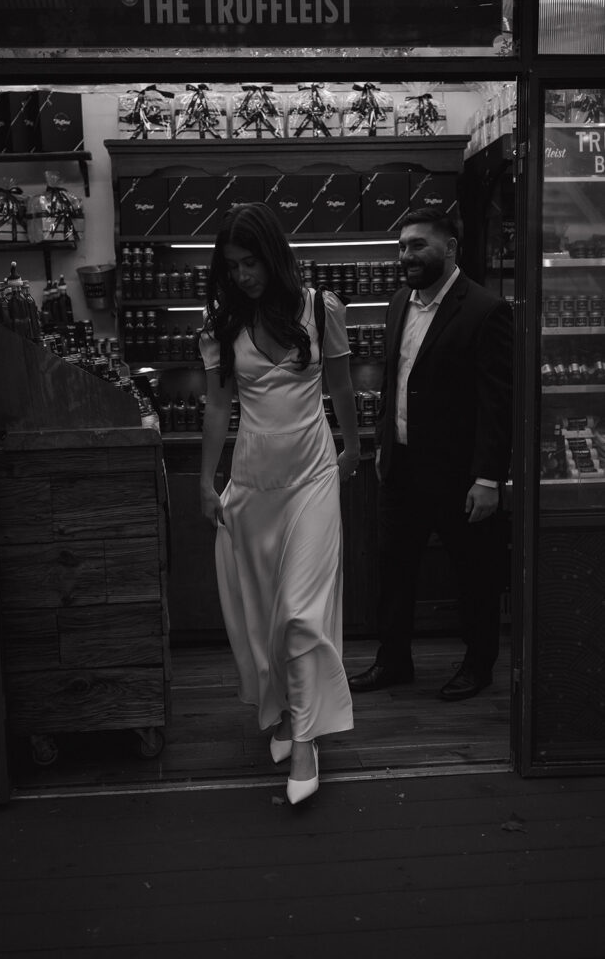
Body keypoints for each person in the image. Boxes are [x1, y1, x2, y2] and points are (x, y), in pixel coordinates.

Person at [199, 202, 359, 804]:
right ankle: (290, 713)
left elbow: (340, 384)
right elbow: (218, 406)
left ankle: (308, 741)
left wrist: (353, 447)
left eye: (251, 262)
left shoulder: (321, 308)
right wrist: (205, 481)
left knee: (300, 613)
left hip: (313, 478)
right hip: (252, 487)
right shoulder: (220, 324)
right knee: (269, 616)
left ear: (274, 255)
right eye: (232, 266)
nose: (242, 275)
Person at [348, 208, 513, 702]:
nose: (406, 255)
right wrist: (383, 442)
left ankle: (478, 665)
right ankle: (393, 661)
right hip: (402, 466)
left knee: (473, 574)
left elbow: (498, 403)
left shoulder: (486, 309)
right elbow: (393, 376)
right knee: (393, 571)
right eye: (402, 246)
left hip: (459, 474)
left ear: (450, 248)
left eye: (418, 245)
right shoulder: (400, 301)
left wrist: (488, 478)